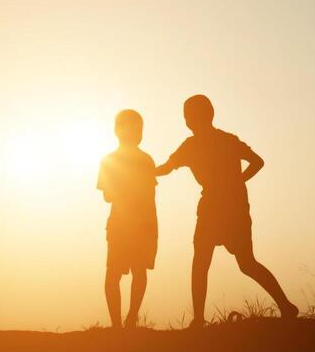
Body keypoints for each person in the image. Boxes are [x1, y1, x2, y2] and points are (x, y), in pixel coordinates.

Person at [156, 95, 298, 327]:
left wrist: (144, 173)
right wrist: (239, 182)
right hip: (233, 205)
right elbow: (258, 162)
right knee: (243, 263)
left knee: (204, 263)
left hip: (218, 206)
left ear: (191, 119)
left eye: (187, 116)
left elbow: (166, 168)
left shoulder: (192, 145)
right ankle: (286, 306)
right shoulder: (226, 140)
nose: (186, 121)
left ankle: (200, 320)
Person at [97, 109, 158, 328]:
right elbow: (150, 194)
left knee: (115, 273)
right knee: (135, 271)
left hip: (128, 223)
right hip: (138, 223)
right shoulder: (145, 160)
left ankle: (120, 324)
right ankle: (128, 321)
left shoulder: (109, 160)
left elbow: (107, 195)